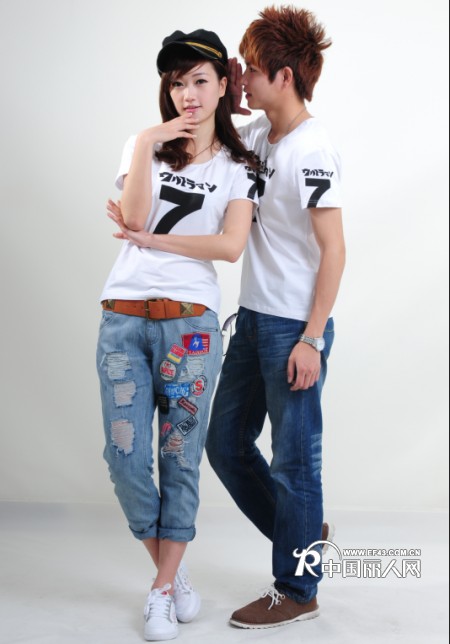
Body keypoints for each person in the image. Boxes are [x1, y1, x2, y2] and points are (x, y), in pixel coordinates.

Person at [97, 28, 258, 641]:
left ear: (222, 86)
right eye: (176, 82)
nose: (187, 93)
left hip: (191, 326)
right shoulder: (145, 145)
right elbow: (134, 214)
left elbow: (230, 246)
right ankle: (172, 571)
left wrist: (153, 242)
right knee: (125, 459)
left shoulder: (239, 169)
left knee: (179, 457)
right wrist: (146, 141)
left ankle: (161, 589)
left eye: (199, 80)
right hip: (123, 319)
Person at [205, 6, 346, 630]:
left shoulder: (314, 149)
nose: (242, 79)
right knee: (225, 445)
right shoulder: (261, 133)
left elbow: (335, 251)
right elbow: (212, 141)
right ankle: (305, 538)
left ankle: (298, 587)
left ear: (285, 77)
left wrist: (312, 339)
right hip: (253, 319)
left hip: (294, 327)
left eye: (252, 70)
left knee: (294, 463)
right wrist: (227, 99)